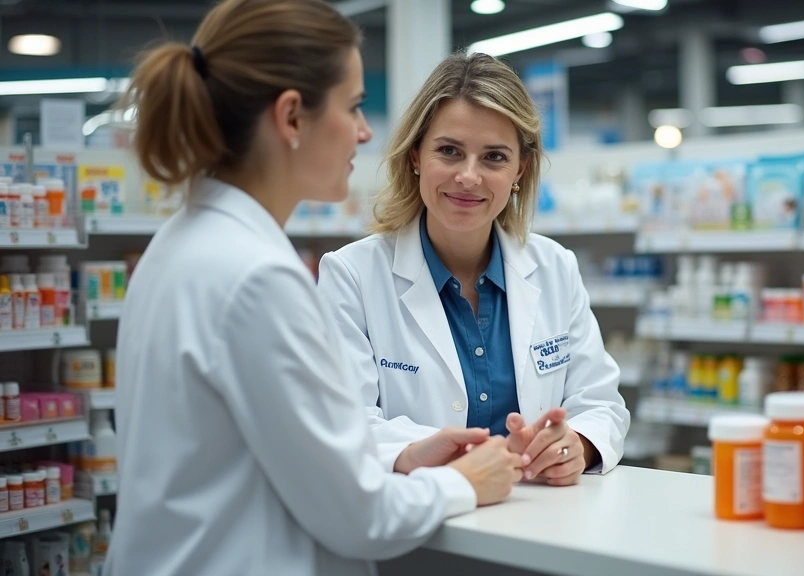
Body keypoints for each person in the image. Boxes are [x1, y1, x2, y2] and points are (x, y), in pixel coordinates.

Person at [108, 2, 523, 575]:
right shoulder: (257, 278)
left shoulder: (183, 243)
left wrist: (406, 454)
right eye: (352, 106)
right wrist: (462, 484)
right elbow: (358, 517)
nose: (364, 130)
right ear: (291, 118)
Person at [317, 53, 630, 487]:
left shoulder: (555, 267)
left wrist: (576, 442)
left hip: (543, 522)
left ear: (519, 168)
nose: (468, 176)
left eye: (494, 157)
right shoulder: (352, 275)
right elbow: (344, 422)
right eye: (449, 151)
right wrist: (421, 454)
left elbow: (600, 403)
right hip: (422, 523)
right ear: (415, 156)